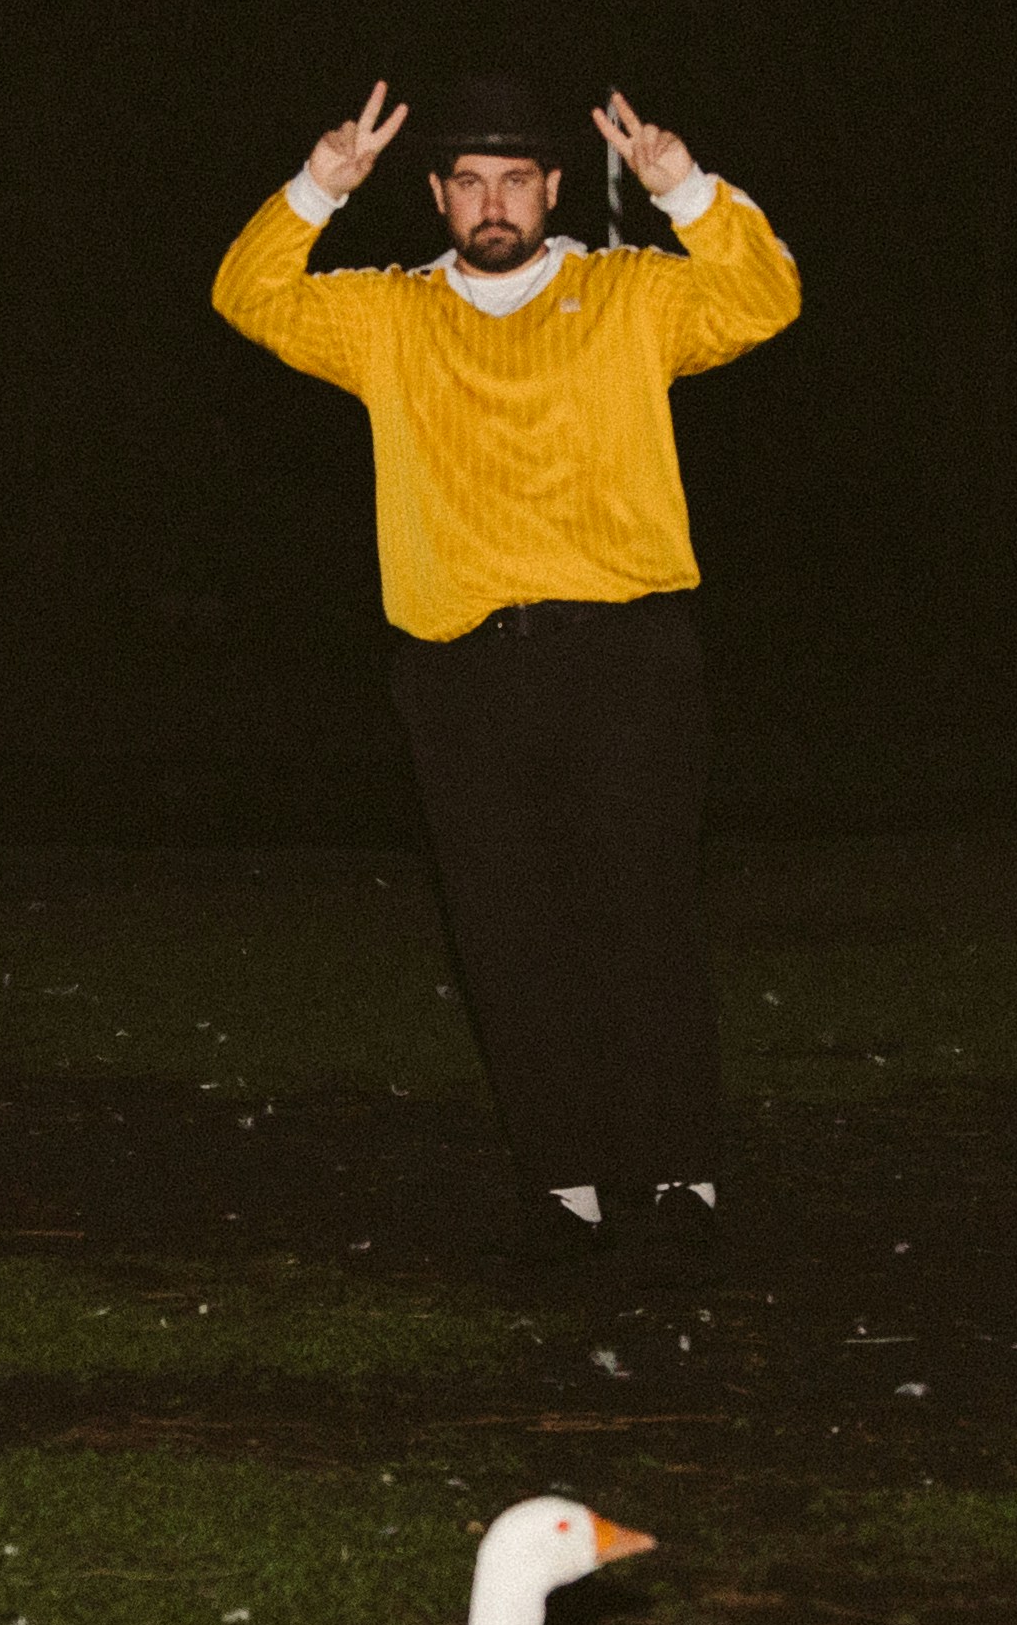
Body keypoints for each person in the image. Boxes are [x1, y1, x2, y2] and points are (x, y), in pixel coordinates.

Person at [215, 73, 801, 1259]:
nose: (493, 202)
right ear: (434, 195)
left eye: (516, 179)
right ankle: (562, 1184)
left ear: (554, 190)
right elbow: (247, 295)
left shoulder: (631, 294)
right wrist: (319, 184)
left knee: (643, 915)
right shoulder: (385, 315)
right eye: (469, 180)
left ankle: (681, 1176)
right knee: (505, 925)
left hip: (625, 660)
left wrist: (681, 184)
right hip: (460, 671)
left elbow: (766, 297)